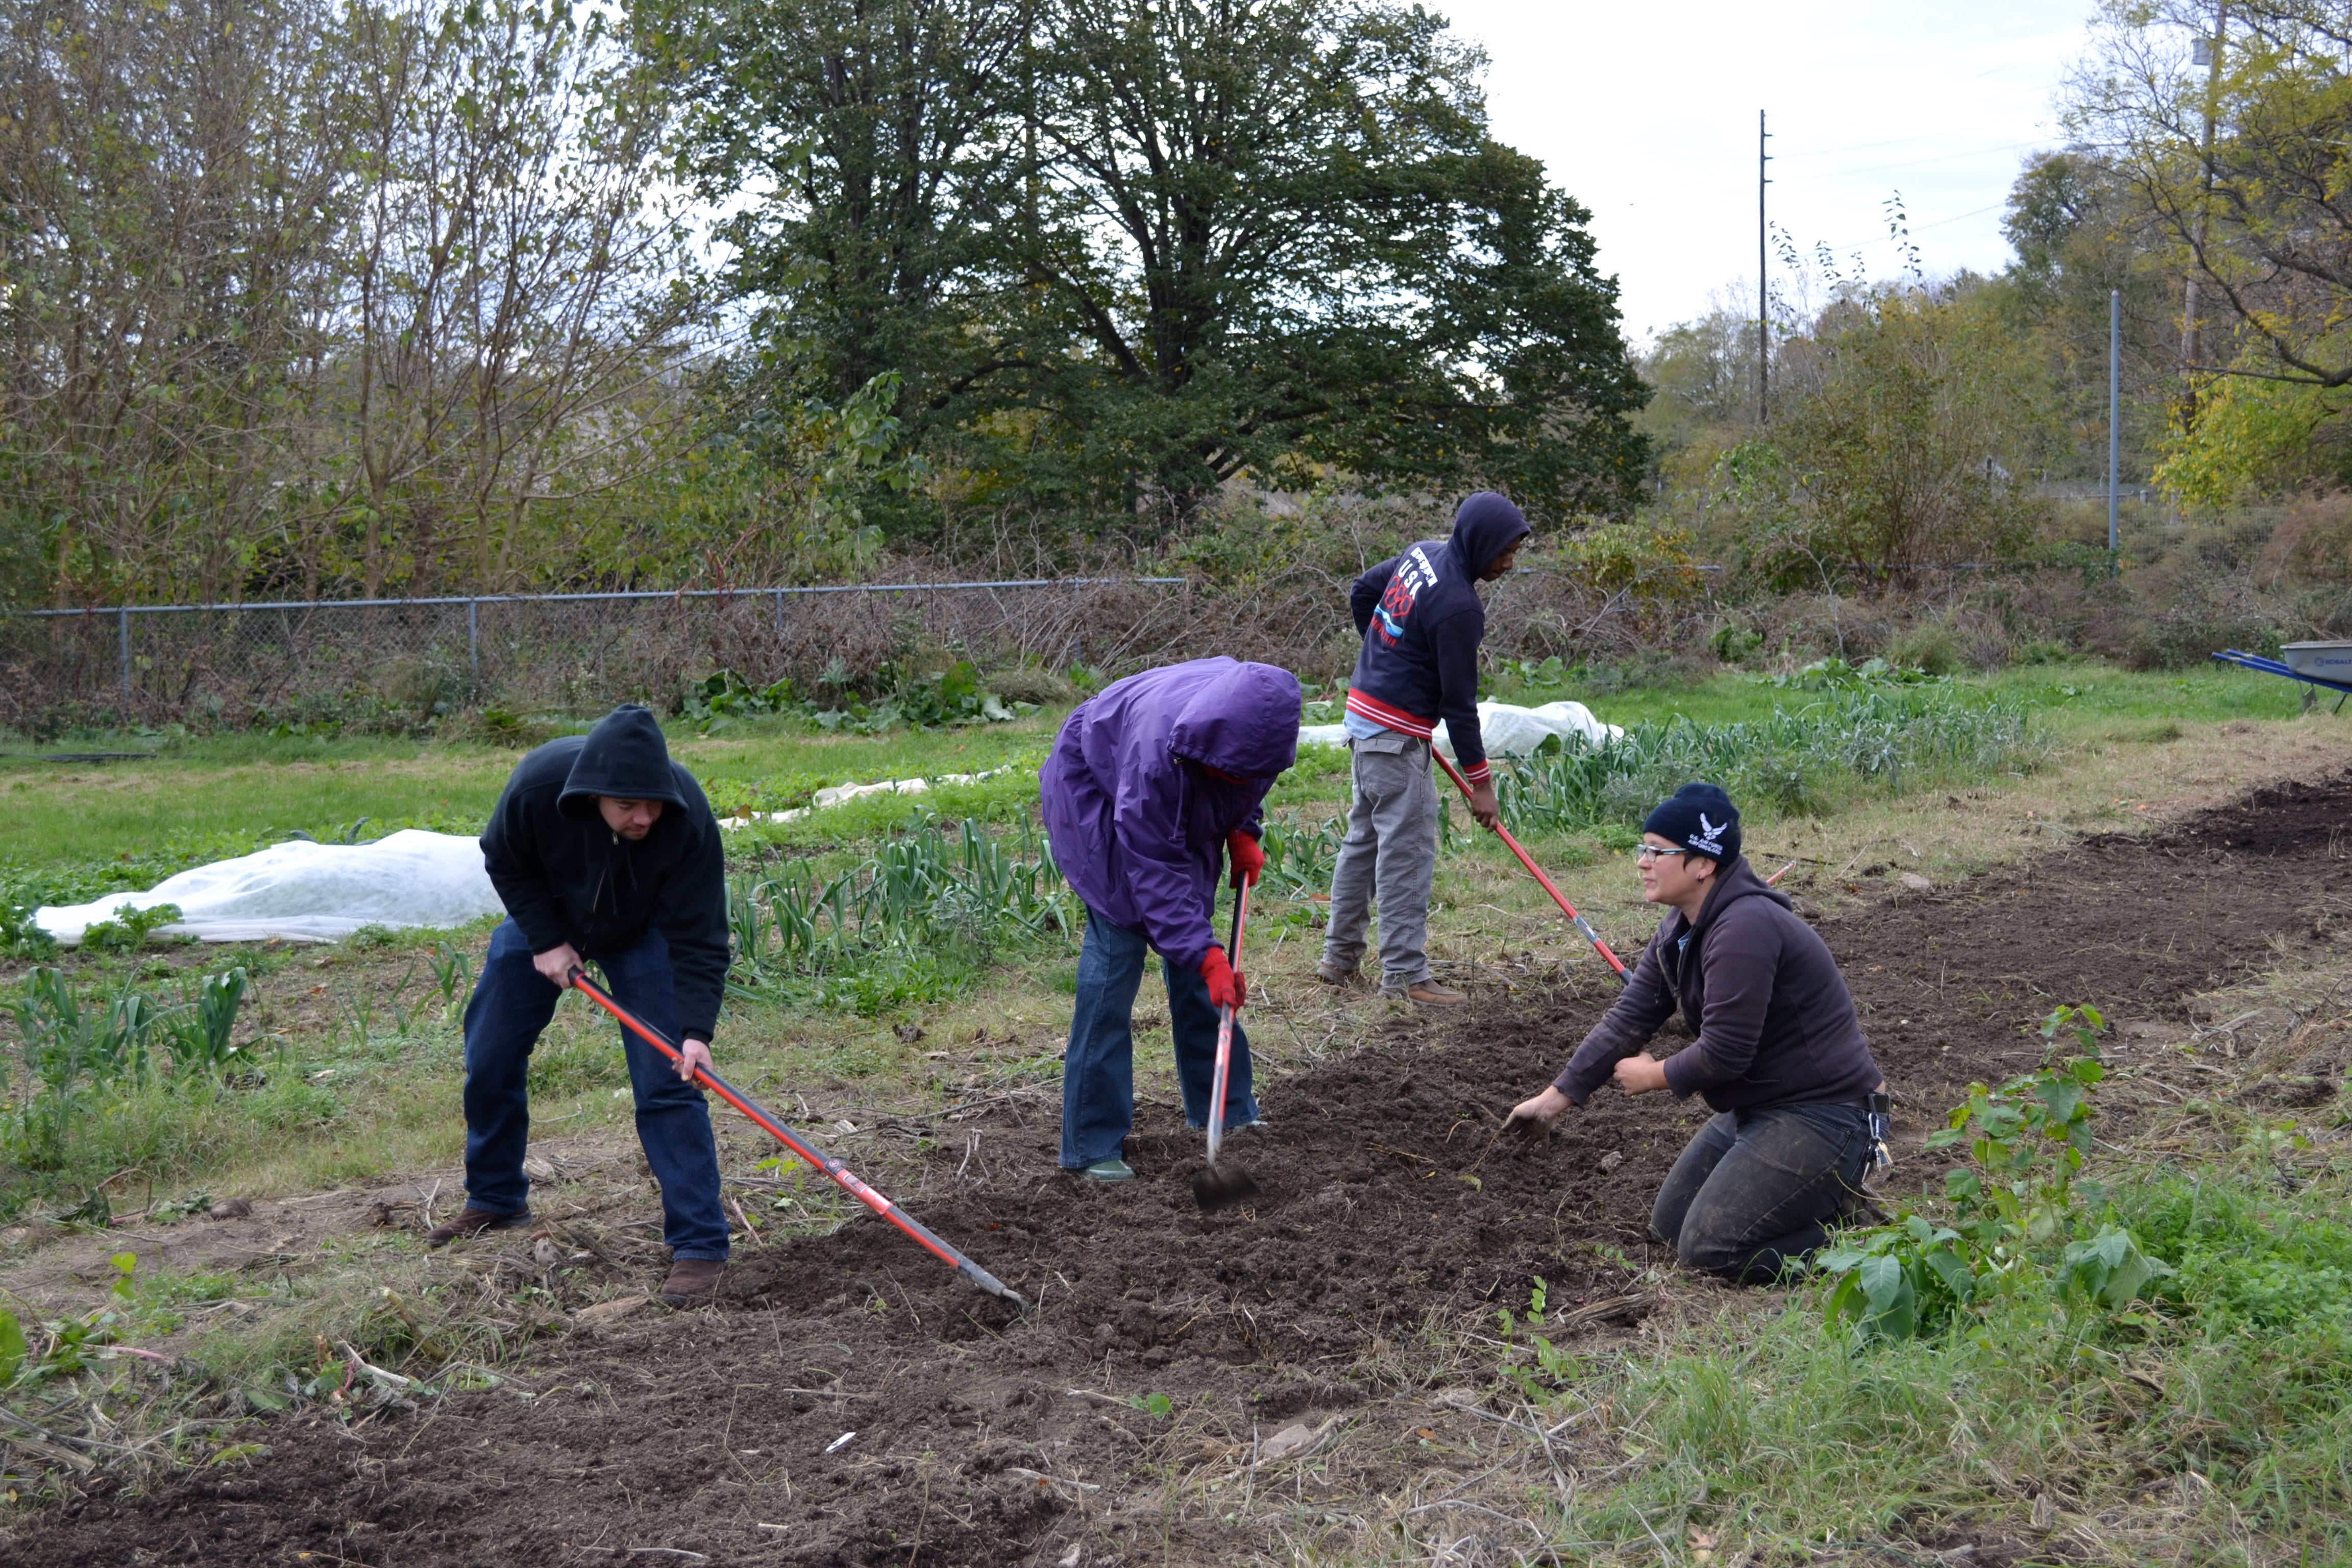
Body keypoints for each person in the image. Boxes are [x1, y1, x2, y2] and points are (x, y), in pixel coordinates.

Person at [1504, 783, 1889, 1283]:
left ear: (1703, 864)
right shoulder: (1681, 928)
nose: (1643, 862)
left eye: (1657, 852)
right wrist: (1554, 1100)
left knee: (1713, 1249)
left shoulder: (1745, 928)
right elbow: (1629, 1018)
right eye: (1642, 849)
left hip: (1829, 1115)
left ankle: (1857, 1245)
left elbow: (1726, 1054)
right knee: (1670, 1228)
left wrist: (1654, 1075)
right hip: (1762, 1109)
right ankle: (1820, 1211)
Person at [429, 703, 735, 1307]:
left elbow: (701, 935)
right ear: (595, 794)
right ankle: (494, 1199)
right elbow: (504, 857)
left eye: (654, 804)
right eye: (628, 807)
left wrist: (696, 1032)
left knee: (669, 1080)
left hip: (645, 934)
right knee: (489, 1054)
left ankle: (700, 1244)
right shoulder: (540, 785)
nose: (645, 817)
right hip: (548, 920)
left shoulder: (686, 815)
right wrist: (545, 939)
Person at [1040, 656, 1302, 1183]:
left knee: (1197, 959)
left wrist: (1242, 830)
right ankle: (1091, 1144)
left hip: (1182, 794)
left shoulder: (1259, 725)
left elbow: (1246, 783)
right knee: (1119, 949)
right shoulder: (1157, 756)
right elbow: (1153, 866)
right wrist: (1208, 960)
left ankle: (1225, 1110)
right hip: (1098, 789)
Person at [1319, 491, 1529, 1004]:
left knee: (1363, 843)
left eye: (1514, 551)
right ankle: (1407, 977)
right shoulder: (1460, 606)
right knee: (1406, 854)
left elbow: (1362, 591)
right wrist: (1482, 786)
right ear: (1478, 541)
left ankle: (1338, 959)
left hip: (1365, 719)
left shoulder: (1423, 553)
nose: (1508, 561)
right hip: (1393, 735)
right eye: (1503, 550)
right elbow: (1459, 705)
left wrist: (1384, 658)